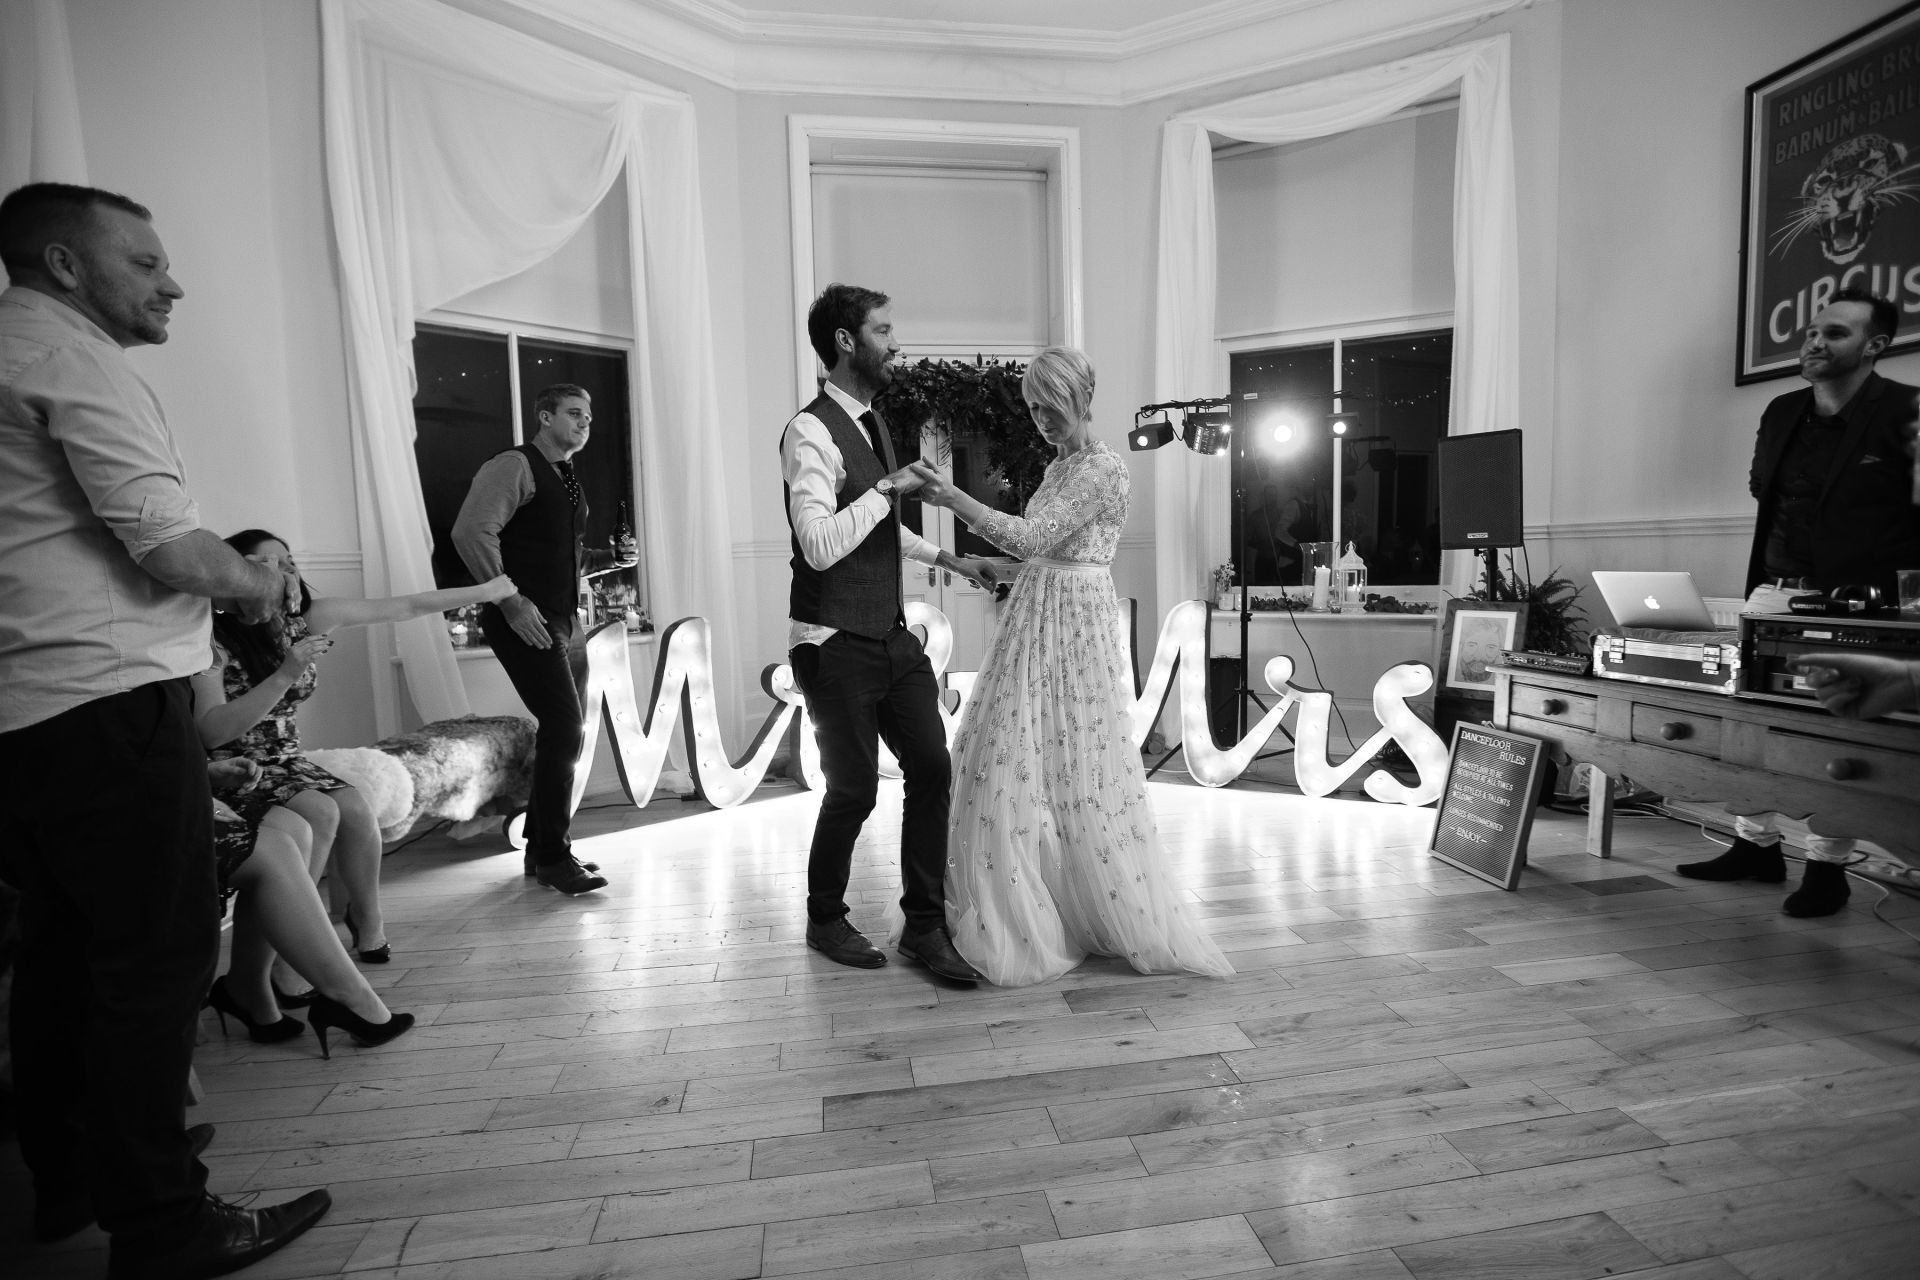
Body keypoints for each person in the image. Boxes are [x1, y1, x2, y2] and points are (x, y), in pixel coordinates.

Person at [0, 182, 329, 1274]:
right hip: (106, 703)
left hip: (24, 715)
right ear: (63, 264)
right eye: (143, 262)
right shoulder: (73, 358)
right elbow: (170, 549)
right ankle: (165, 1224)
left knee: (61, 954)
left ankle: (75, 1177)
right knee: (158, 958)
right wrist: (259, 585)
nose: (171, 282)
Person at [909, 346, 1235, 987]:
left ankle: (1063, 908)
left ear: (1082, 399)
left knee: (1066, 761)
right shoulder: (1060, 466)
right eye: (1033, 408)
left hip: (1072, 626)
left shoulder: (1103, 468)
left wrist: (952, 499)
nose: (1041, 418)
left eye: (1050, 405)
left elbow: (1036, 539)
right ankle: (1016, 901)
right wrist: (996, 567)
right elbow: (1046, 552)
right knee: (1005, 755)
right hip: (1038, 614)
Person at [1680, 288, 1920, 917]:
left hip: (1857, 604)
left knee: (1836, 736)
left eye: (1835, 334)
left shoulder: (1907, 410)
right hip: (1773, 590)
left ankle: (1826, 868)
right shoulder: (1782, 410)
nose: (1815, 342)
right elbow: (1763, 487)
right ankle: (1754, 847)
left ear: (1874, 345)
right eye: (1812, 331)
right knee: (1747, 723)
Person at [191, 528, 513, 988]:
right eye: (267, 562)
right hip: (237, 762)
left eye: (289, 560)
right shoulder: (210, 635)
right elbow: (212, 730)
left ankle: (366, 919)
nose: (285, 571)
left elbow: (405, 606)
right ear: (237, 572)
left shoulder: (303, 619)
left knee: (357, 809)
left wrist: (486, 591)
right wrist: (287, 672)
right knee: (323, 811)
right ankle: (293, 948)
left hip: (289, 757)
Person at [781, 283, 989, 981]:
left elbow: (877, 530)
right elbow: (819, 545)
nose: (896, 343)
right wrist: (885, 489)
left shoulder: (873, 424)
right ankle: (824, 917)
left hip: (892, 638)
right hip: (831, 640)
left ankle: (924, 927)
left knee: (932, 766)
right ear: (846, 341)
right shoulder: (809, 432)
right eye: (883, 330)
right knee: (854, 791)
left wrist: (949, 560)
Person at [452, 384, 635, 894]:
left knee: (565, 731)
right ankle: (553, 856)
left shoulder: (565, 476)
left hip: (563, 619)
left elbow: (564, 555)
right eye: (574, 413)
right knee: (566, 726)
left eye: (589, 416)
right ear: (545, 417)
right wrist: (511, 601)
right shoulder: (514, 465)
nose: (585, 423)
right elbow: (471, 533)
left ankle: (543, 849)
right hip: (525, 618)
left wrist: (609, 560)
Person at [203, 759, 415, 1058]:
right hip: (148, 803)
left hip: (177, 785)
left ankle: (246, 983)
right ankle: (348, 995)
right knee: (275, 850)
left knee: (297, 829)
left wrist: (203, 772)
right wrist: (195, 795)